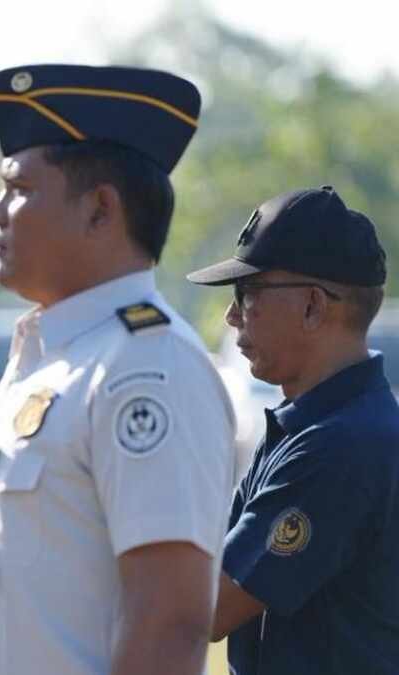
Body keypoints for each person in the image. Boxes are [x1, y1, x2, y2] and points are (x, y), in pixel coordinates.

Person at [0, 64, 237, 675]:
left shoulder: (148, 366)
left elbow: (169, 619)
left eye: (18, 188)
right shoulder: (48, 359)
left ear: (101, 210)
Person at [187, 186, 398, 674]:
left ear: (312, 307)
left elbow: (211, 606)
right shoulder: (316, 423)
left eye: (248, 293)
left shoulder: (341, 443)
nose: (232, 315)